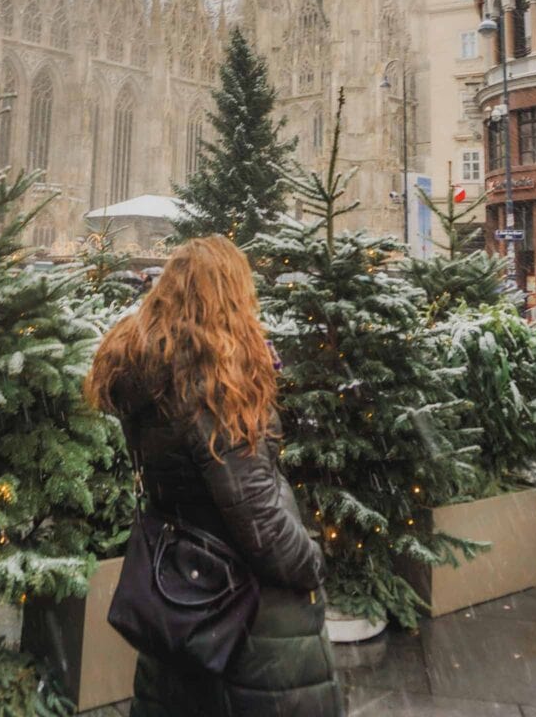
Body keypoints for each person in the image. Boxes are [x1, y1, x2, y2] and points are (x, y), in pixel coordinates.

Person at [85, 236, 342, 717]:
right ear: (228, 295)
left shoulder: (151, 369)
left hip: (181, 590)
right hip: (243, 611)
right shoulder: (207, 380)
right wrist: (310, 563)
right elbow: (256, 513)